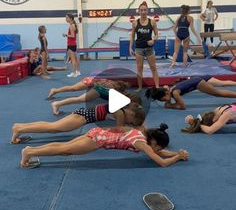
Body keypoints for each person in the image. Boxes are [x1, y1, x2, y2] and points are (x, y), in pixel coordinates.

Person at [20, 123, 189, 168]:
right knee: (64, 150)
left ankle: (32, 151)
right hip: (97, 141)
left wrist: (176, 153)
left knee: (64, 149)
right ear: (154, 142)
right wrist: (177, 157)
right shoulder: (141, 143)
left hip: (96, 133)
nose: (159, 151)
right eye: (158, 147)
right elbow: (162, 163)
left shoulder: (142, 135)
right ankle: (29, 152)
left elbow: (160, 153)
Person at [11, 100, 145, 144]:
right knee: (52, 127)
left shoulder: (120, 108)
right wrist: (137, 133)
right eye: (132, 121)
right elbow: (119, 131)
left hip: (82, 115)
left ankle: (20, 126)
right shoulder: (120, 113)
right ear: (131, 113)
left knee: (51, 126)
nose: (130, 123)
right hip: (82, 118)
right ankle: (20, 129)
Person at [145, 75, 236, 110]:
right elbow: (167, 99)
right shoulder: (168, 91)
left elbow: (182, 107)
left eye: (164, 99)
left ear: (166, 93)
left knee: (218, 93)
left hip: (199, 83)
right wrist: (168, 103)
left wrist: (171, 105)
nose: (165, 101)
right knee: (222, 84)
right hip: (197, 79)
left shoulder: (175, 93)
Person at [50, 79, 130, 115]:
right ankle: (56, 100)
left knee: (76, 94)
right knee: (75, 91)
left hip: (95, 86)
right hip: (90, 82)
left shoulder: (113, 86)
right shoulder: (110, 86)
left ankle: (56, 97)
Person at [129, 1, 159, 91]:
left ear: (147, 11)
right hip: (139, 48)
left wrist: (153, 40)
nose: (143, 12)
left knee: (153, 68)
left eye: (145, 10)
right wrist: (130, 47)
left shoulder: (152, 22)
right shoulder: (135, 23)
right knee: (139, 69)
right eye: (141, 10)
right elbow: (132, 36)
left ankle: (157, 87)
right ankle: (140, 87)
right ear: (139, 11)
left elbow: (157, 34)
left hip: (149, 49)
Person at [63, 13, 80, 78]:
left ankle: (73, 72)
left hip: (71, 44)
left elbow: (72, 36)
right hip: (73, 44)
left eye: (67, 18)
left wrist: (66, 35)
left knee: (73, 60)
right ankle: (77, 72)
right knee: (75, 58)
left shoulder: (71, 26)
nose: (66, 19)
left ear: (71, 18)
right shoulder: (73, 25)